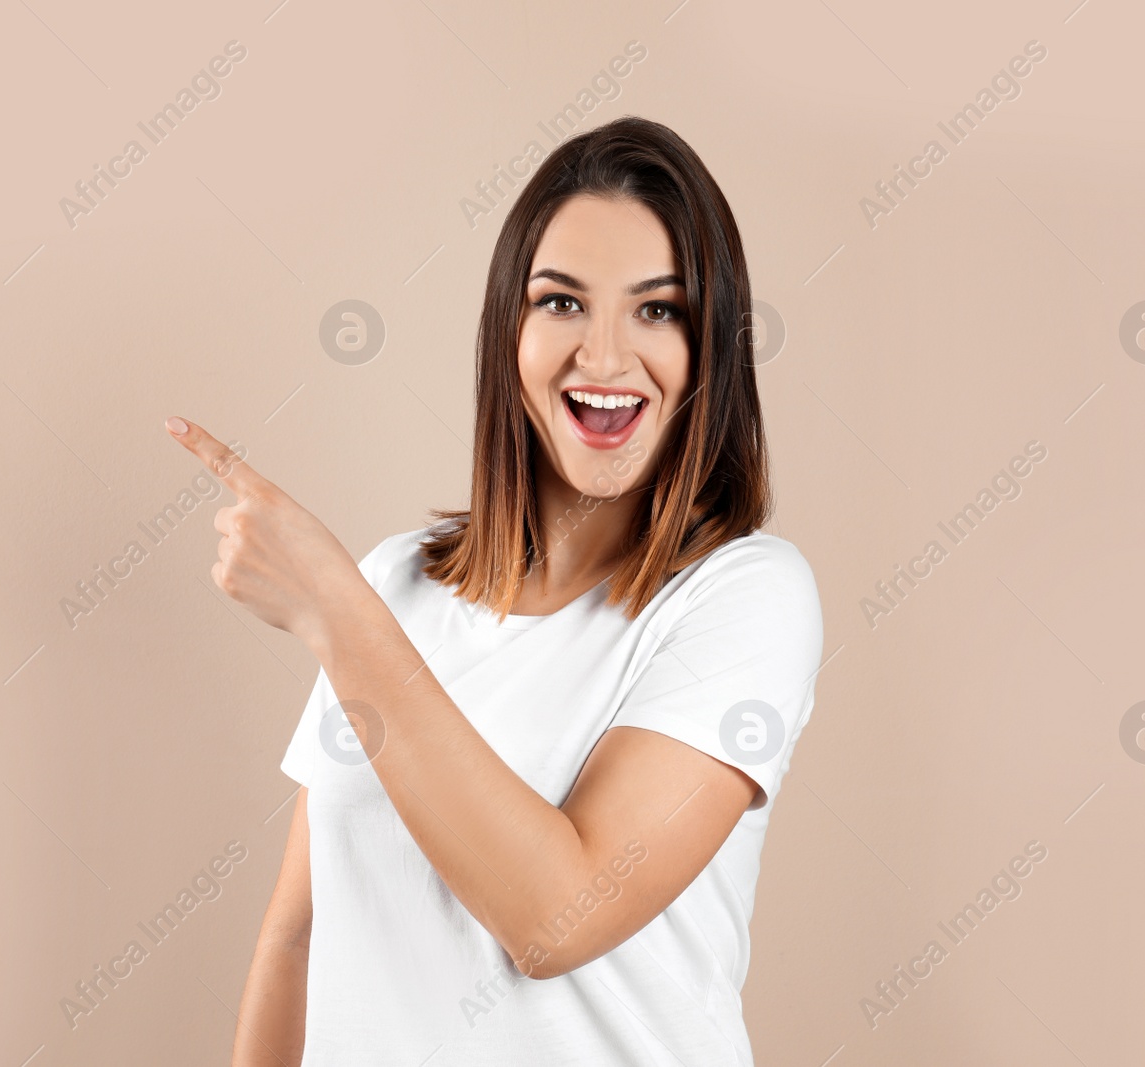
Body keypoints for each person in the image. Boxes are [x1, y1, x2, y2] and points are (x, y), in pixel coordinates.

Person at [166, 115, 823, 1066]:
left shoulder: (745, 597)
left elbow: (559, 915)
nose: (602, 359)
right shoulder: (395, 580)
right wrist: (351, 601)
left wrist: (331, 610)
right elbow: (298, 936)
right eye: (561, 303)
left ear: (712, 348)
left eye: (659, 309)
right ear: (505, 332)